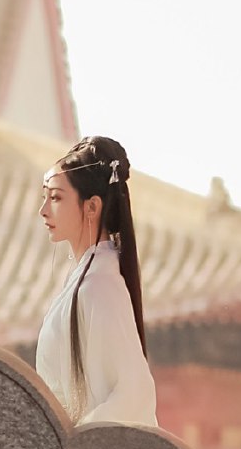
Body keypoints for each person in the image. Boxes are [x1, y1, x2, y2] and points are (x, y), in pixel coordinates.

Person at [33, 136, 157, 429]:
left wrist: (78, 443)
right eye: (45, 197)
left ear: (92, 207)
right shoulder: (88, 278)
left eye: (56, 198)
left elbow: (135, 391)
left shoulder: (99, 286)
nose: (43, 211)